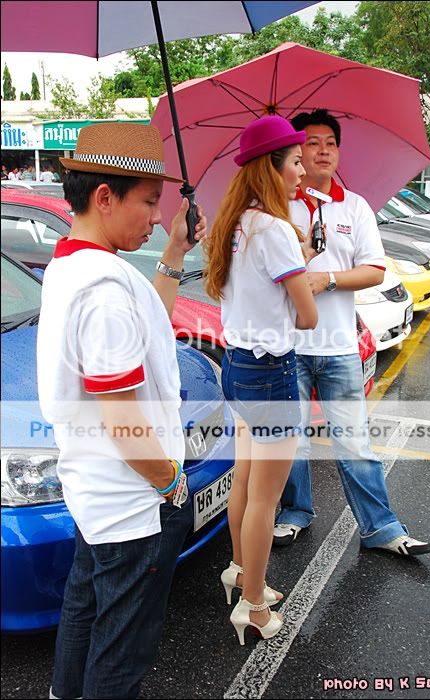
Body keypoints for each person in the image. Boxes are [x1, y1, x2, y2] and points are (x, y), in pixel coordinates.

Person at [37, 122, 207, 699]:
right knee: (120, 655)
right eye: (150, 202)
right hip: (132, 506)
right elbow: (123, 420)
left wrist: (177, 252)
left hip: (96, 493)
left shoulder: (74, 264)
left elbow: (150, 323)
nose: (157, 218)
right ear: (105, 197)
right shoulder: (103, 288)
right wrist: (171, 482)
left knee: (84, 618)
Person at [273, 109, 430, 557]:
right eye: (311, 142)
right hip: (287, 345)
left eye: (330, 143)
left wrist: (327, 280)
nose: (322, 150)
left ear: (338, 151)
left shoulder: (354, 206)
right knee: (292, 439)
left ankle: (380, 528)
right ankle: (295, 513)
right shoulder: (275, 205)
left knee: (354, 441)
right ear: (295, 152)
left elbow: (374, 269)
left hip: (339, 346)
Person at [205, 115, 319, 645]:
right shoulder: (274, 230)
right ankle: (252, 606)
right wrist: (306, 279)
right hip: (271, 373)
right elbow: (307, 317)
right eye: (295, 160)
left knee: (247, 481)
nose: (303, 169)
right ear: (270, 168)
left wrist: (295, 269)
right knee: (265, 499)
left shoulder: (237, 223)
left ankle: (240, 572)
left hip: (237, 366)